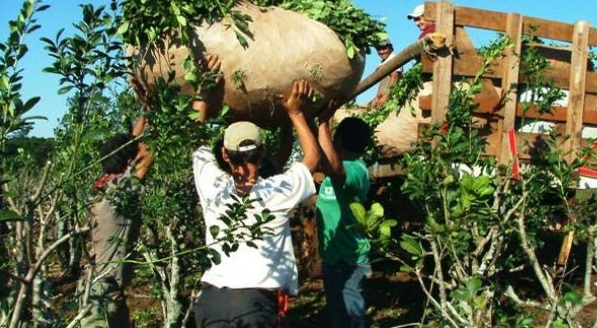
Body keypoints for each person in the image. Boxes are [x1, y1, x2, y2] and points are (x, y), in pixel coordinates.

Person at [192, 54, 321, 327]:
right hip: (253, 305)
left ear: (225, 155)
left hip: (209, 302)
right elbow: (312, 158)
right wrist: (296, 113)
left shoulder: (210, 183)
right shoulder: (277, 190)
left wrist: (203, 89)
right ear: (262, 154)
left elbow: (195, 137)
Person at [79, 114, 153, 328]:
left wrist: (138, 127)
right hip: (102, 293)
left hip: (99, 289)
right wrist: (160, 117)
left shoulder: (101, 188)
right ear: (129, 162)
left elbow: (128, 157)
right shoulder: (119, 195)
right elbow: (148, 155)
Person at [315, 100, 373, 328]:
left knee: (350, 319)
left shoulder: (357, 171)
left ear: (337, 141)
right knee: (338, 316)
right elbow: (318, 155)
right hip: (333, 259)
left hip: (350, 261)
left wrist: (323, 122)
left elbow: (335, 168)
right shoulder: (333, 171)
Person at [370, 39, 401, 109]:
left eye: (384, 48)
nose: (381, 52)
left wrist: (386, 96)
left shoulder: (393, 59)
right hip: (382, 98)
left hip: (391, 99)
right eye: (378, 49)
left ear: (390, 48)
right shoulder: (384, 61)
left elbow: (395, 77)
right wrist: (377, 97)